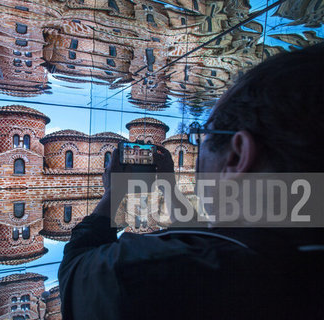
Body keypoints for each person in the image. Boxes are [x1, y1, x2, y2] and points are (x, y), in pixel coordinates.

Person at [58, 43, 324, 319]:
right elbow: (208, 236)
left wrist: (112, 194)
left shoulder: (167, 269)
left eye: (203, 136)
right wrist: (169, 187)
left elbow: (76, 273)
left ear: (236, 155)